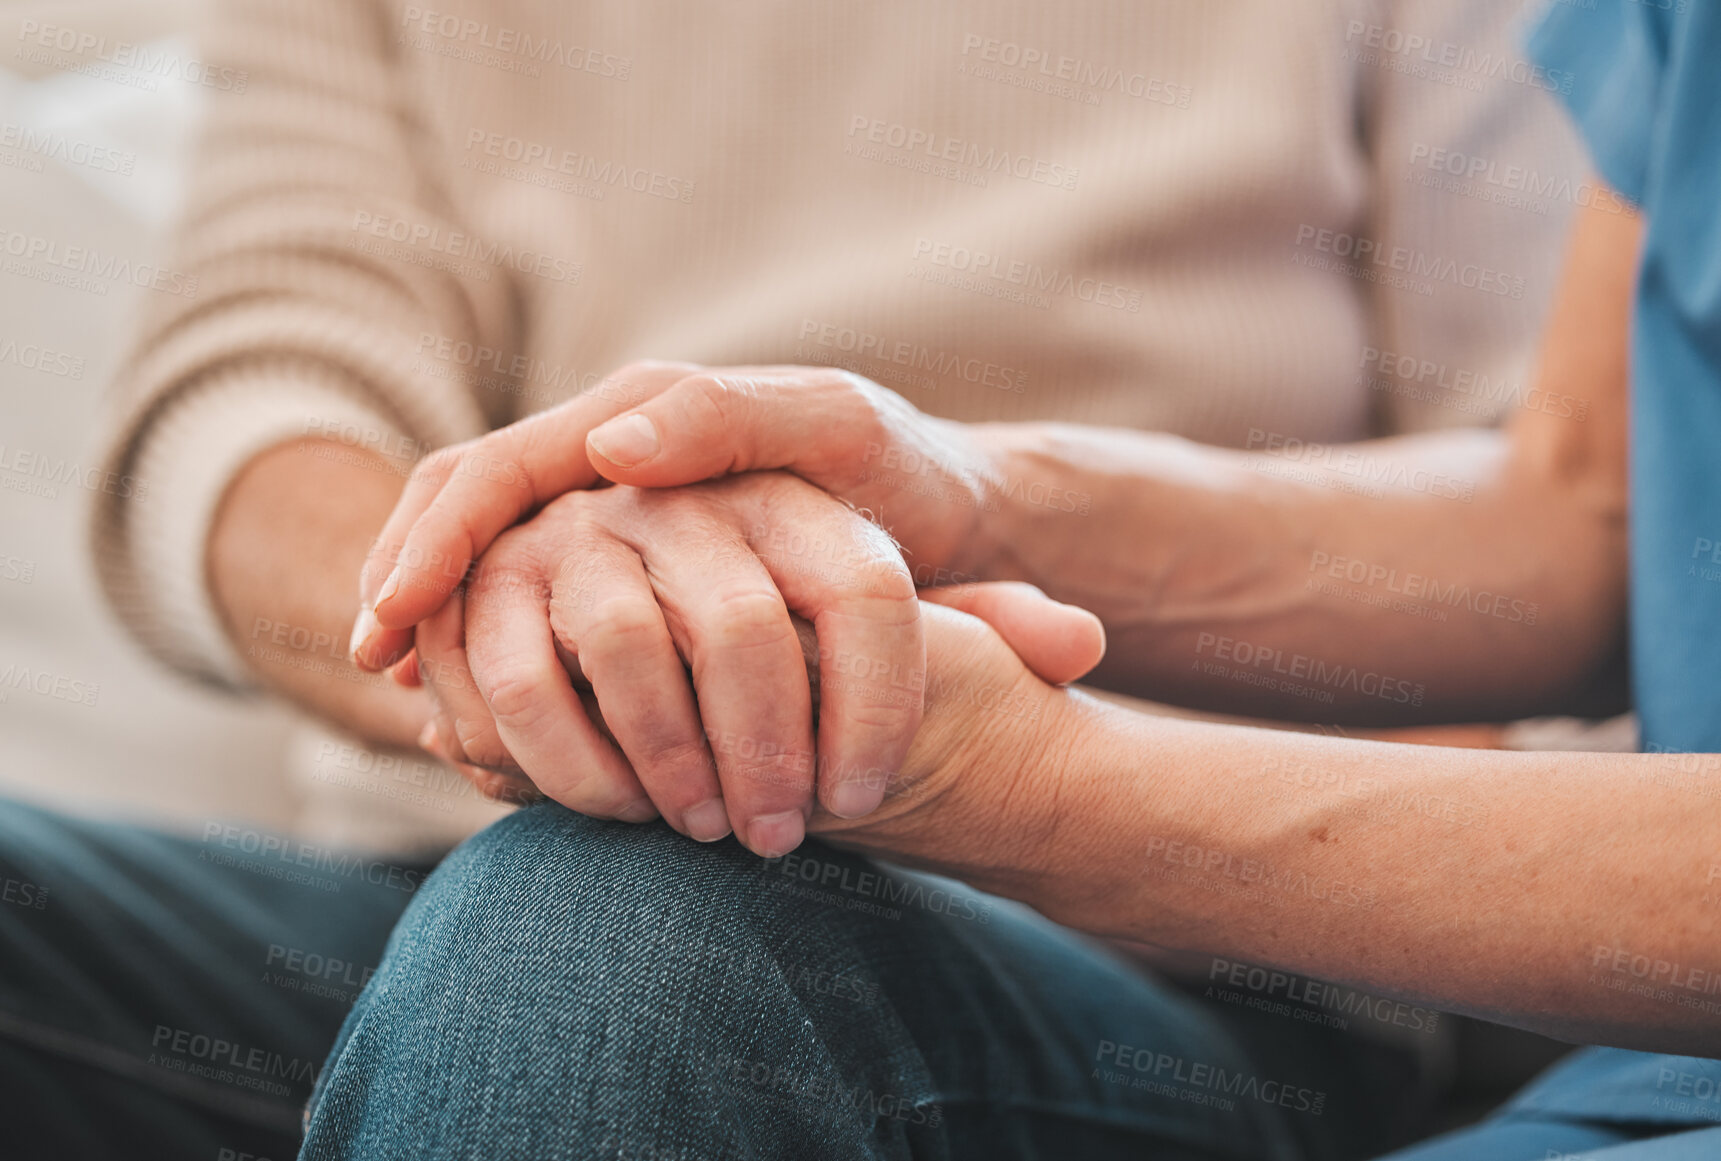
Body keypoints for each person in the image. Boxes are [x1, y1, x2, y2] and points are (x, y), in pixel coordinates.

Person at [0, 2, 1651, 1160]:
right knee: (585, 916)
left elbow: (1565, 530)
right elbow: (256, 395)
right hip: (454, 872)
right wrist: (529, 619)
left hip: (1150, 969)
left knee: (619, 938)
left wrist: (945, 691)